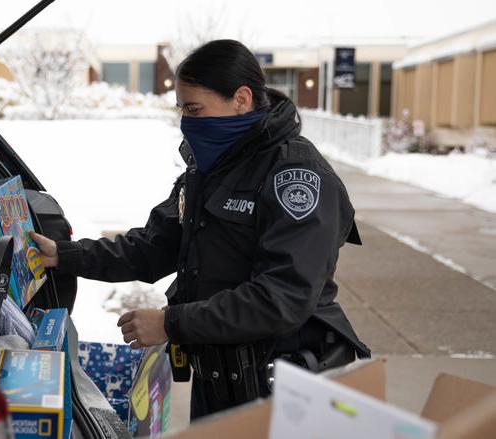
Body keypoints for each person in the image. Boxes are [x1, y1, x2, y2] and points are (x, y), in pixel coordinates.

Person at [30, 39, 370, 419]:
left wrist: (172, 324)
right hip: (222, 377)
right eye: (182, 110)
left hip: (287, 387)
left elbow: (283, 297)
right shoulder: (210, 169)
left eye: (195, 109)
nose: (186, 123)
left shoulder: (297, 178)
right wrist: (66, 255)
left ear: (241, 99)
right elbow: (153, 246)